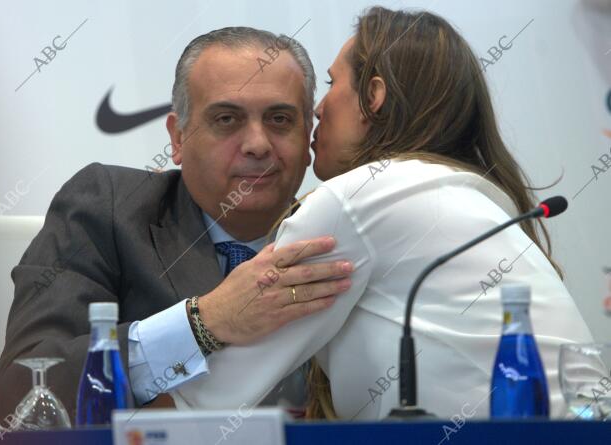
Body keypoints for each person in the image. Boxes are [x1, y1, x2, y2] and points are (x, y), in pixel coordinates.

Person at [171, 7, 595, 419]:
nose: (317, 111)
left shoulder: (357, 201)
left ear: (373, 96)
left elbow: (205, 398)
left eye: (335, 83)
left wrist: (177, 333)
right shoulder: (461, 192)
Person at [0, 27, 355, 423]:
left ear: (308, 140)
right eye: (227, 119)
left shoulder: (346, 235)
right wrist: (203, 322)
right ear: (178, 138)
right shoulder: (109, 208)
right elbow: (22, 390)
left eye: (280, 119)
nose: (257, 144)